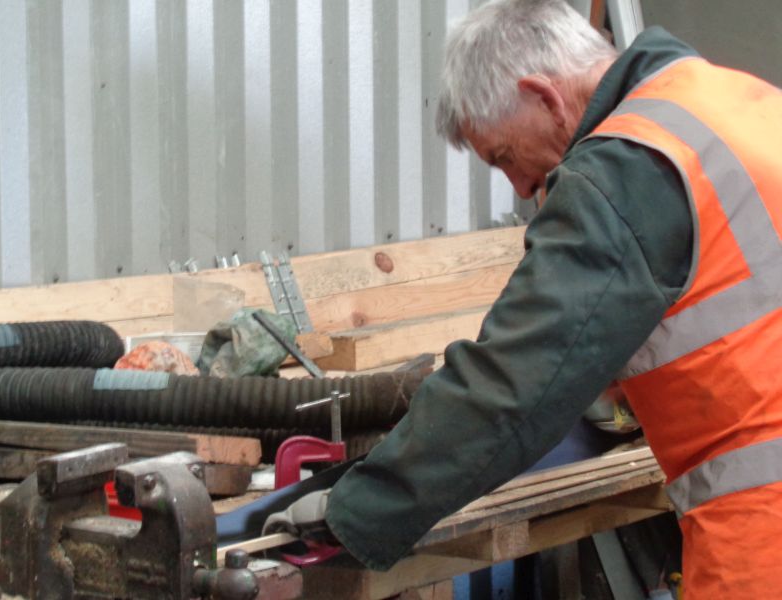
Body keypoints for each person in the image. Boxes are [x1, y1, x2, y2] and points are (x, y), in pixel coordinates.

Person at [265, 1, 782, 596]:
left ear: (544, 95)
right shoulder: (734, 100)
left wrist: (354, 513)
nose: (521, 187)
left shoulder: (625, 166)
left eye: (504, 157)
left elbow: (512, 385)